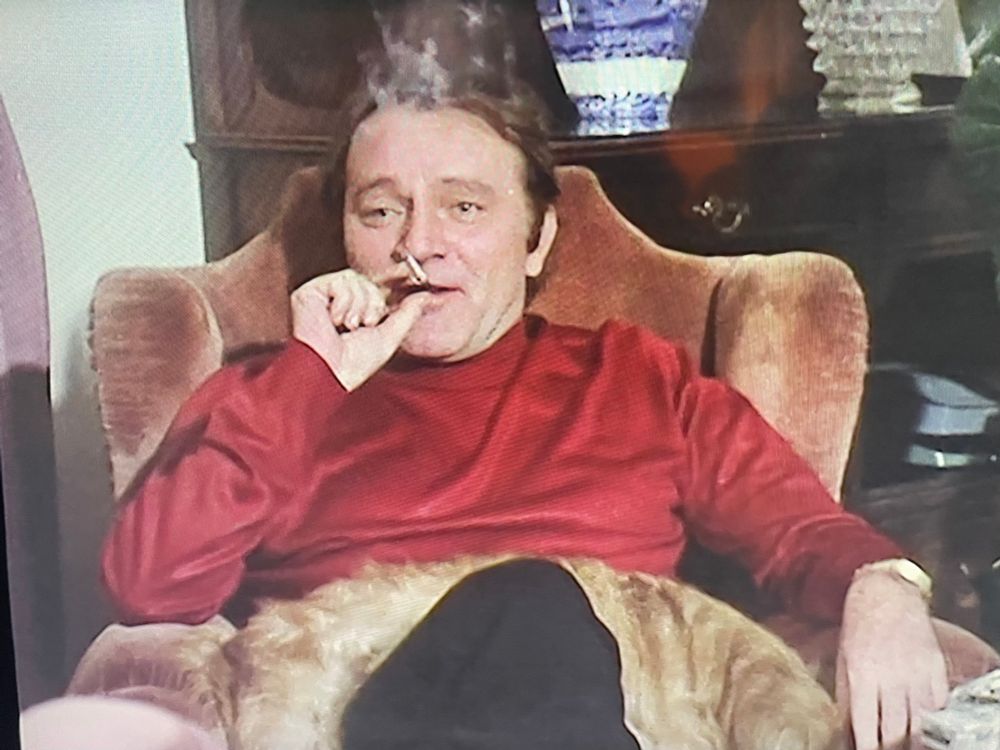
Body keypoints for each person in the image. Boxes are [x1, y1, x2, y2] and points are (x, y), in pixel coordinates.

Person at [98, 78, 958, 750]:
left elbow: (798, 529)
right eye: (381, 210)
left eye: (464, 207)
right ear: (346, 236)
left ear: (537, 237)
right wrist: (312, 378)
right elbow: (149, 585)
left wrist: (883, 587)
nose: (418, 244)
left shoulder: (635, 376)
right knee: (521, 602)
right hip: (351, 710)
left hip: (617, 711)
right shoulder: (271, 393)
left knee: (534, 602)